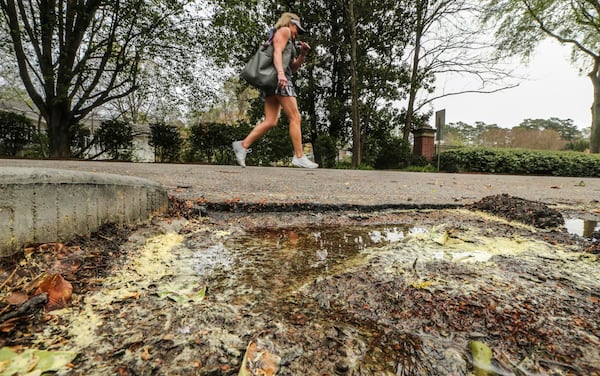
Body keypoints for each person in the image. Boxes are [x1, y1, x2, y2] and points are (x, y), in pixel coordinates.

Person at [232, 12, 318, 169]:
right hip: (280, 80)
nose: (297, 32)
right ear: (289, 24)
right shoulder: (283, 31)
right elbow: (277, 52)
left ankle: (243, 145)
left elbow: (293, 67)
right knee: (295, 117)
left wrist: (303, 54)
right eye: (296, 28)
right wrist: (280, 74)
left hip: (274, 82)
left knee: (271, 121)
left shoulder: (291, 43)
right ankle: (299, 156)